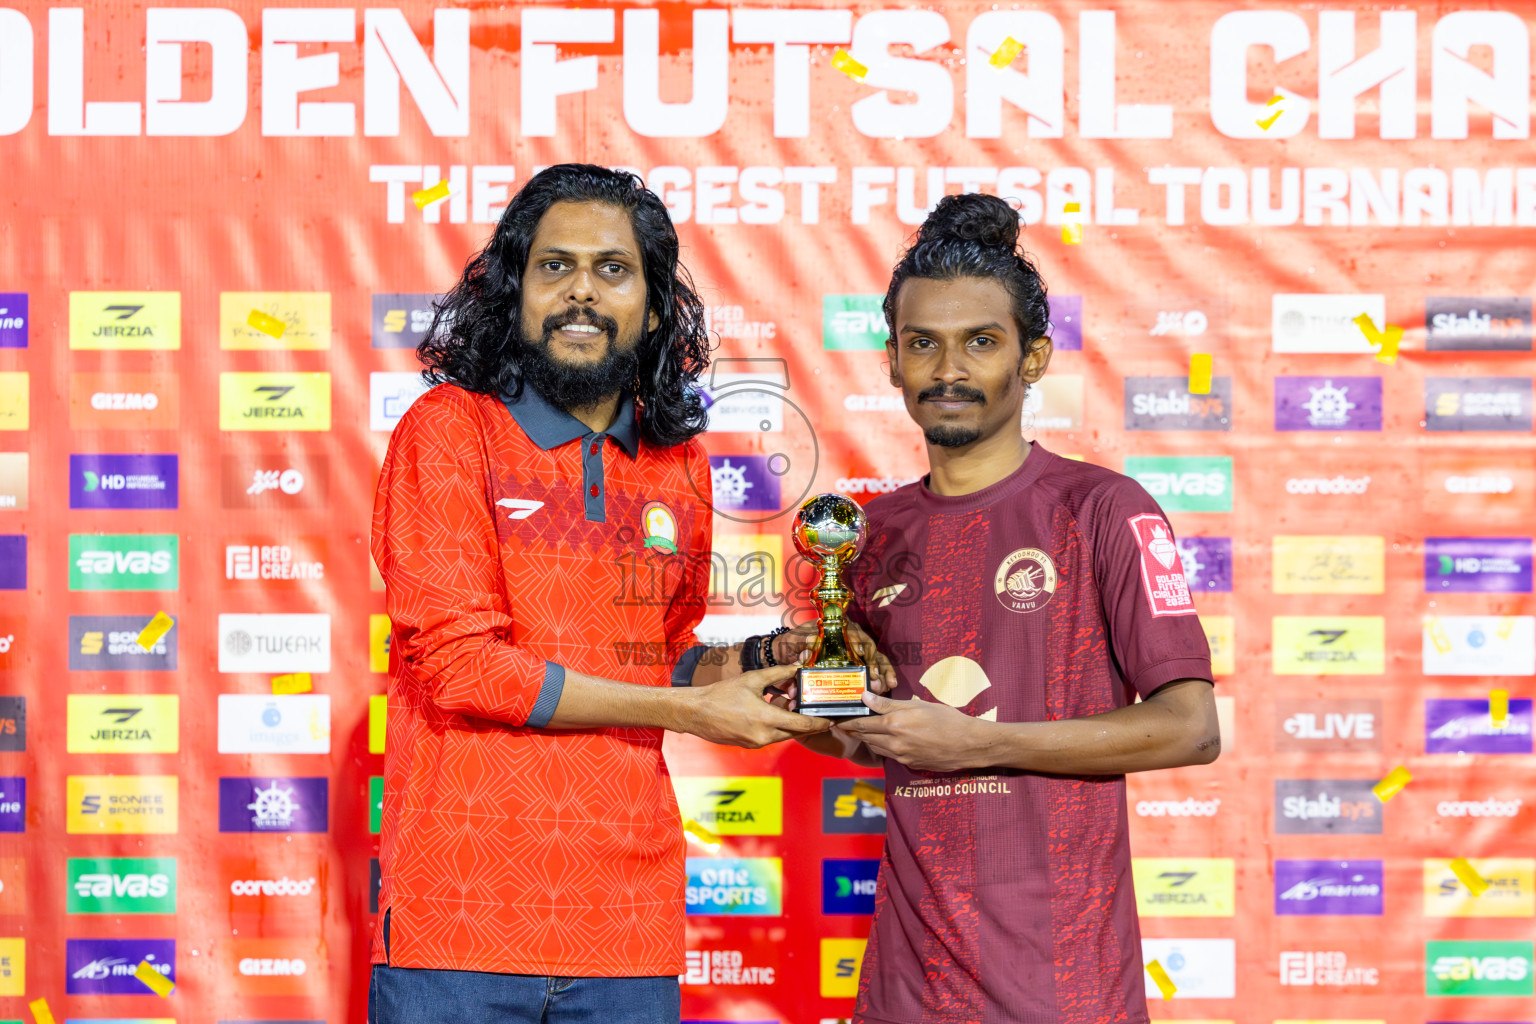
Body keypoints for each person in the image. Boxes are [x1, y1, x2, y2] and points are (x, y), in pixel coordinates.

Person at [368, 164, 891, 1024]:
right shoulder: (451, 429)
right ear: (514, 292)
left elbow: (658, 660)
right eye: (554, 266)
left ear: (653, 306)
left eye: (612, 269)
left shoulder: (677, 463)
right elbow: (463, 669)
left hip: (626, 928)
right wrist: (697, 715)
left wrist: (770, 656)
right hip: (457, 934)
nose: (581, 290)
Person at [799, 192, 1221, 1024]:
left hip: (1066, 988)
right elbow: (851, 737)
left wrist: (980, 743)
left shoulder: (1103, 509)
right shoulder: (863, 537)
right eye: (922, 344)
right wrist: (818, 699)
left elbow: (1190, 728)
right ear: (891, 362)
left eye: (980, 343)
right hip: (907, 991)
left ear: (1033, 361)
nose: (947, 370)